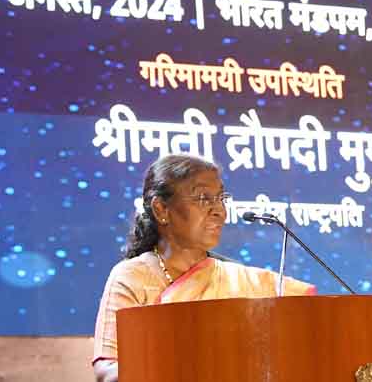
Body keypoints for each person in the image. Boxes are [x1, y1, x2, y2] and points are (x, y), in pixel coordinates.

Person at [92, 153, 315, 382]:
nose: (219, 210)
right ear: (161, 209)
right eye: (203, 198)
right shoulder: (133, 276)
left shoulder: (237, 278)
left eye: (220, 198)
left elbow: (311, 320)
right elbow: (107, 371)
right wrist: (183, 364)